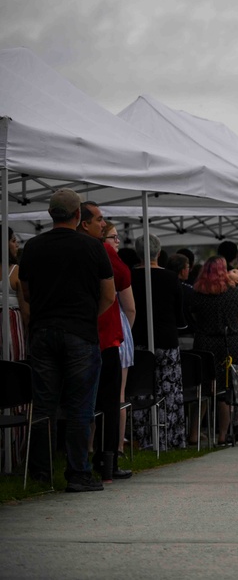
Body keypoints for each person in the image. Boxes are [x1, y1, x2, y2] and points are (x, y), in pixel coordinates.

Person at [19, 189, 115, 492]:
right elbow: (109, 295)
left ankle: (40, 473)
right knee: (79, 406)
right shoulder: (93, 247)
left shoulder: (32, 247)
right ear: (78, 216)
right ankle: (77, 473)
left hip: (43, 330)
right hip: (80, 333)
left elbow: (26, 291)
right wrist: (87, 316)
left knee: (44, 405)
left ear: (50, 214)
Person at [78, 202, 132, 480]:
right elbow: (117, 290)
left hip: (79, 333)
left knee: (79, 401)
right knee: (109, 403)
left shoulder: (59, 248)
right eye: (100, 220)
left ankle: (74, 463)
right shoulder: (102, 252)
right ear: (84, 222)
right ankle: (106, 463)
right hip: (103, 335)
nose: (104, 224)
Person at [131, 232, 186, 450]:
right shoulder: (171, 278)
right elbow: (180, 316)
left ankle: (144, 437)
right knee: (169, 391)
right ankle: (169, 436)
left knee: (141, 390)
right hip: (166, 339)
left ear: (137, 254)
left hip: (138, 340)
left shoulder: (129, 277)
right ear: (159, 253)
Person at [189, 256, 238, 444]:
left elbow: (192, 314)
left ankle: (194, 434)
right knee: (225, 391)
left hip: (204, 344)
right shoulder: (232, 293)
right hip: (229, 343)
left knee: (204, 390)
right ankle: (223, 435)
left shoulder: (197, 293)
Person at [101, 221, 136, 459]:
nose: (118, 241)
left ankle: (95, 446)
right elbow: (130, 308)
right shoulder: (117, 266)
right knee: (118, 395)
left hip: (99, 330)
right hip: (116, 329)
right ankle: (118, 447)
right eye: (114, 237)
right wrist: (127, 331)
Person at [4, 228, 27, 361]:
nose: (17, 244)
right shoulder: (16, 271)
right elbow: (26, 312)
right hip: (12, 330)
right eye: (13, 240)